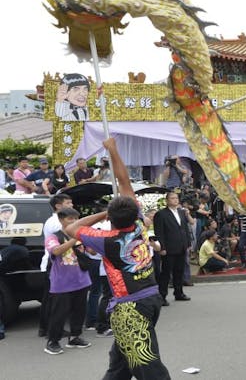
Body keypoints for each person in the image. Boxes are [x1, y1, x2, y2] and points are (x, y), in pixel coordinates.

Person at [65, 137, 170, 378]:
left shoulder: (106, 240)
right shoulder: (138, 225)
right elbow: (124, 181)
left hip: (130, 307)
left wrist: (105, 211)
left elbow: (72, 228)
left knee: (147, 365)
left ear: (111, 218)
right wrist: (113, 151)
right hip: (150, 298)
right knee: (120, 364)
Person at [43, 207, 92, 354]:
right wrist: (74, 239)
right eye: (70, 219)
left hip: (81, 280)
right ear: (61, 220)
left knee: (79, 311)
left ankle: (75, 337)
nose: (74, 222)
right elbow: (56, 251)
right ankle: (53, 341)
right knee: (59, 314)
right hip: (62, 283)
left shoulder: (81, 235)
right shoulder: (53, 236)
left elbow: (93, 251)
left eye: (76, 218)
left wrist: (87, 242)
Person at [38, 193, 74, 338]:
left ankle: (46, 328)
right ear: (58, 206)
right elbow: (58, 245)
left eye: (71, 202)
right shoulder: (55, 223)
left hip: (59, 262)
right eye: (68, 203)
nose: (71, 205)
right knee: (53, 299)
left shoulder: (56, 221)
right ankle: (49, 329)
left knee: (51, 298)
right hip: (54, 263)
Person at [154, 191, 192, 304]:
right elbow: (159, 232)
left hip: (181, 246)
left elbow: (185, 229)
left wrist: (188, 244)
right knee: (166, 272)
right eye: (172, 198)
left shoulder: (181, 212)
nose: (175, 200)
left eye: (176, 198)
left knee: (179, 271)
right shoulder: (161, 214)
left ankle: (179, 292)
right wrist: (162, 248)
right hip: (168, 248)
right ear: (167, 200)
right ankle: (162, 296)